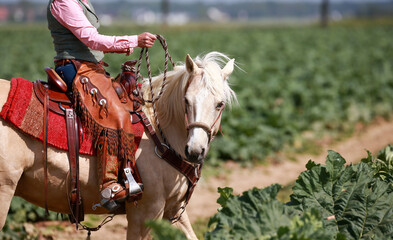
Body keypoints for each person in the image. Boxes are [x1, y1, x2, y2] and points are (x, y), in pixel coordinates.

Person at [47, 0, 156, 211]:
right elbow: (92, 39)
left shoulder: (81, 1)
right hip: (76, 69)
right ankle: (108, 185)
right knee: (117, 113)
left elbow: (89, 42)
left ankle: (126, 172)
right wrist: (134, 40)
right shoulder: (64, 2)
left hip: (90, 67)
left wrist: (122, 47)